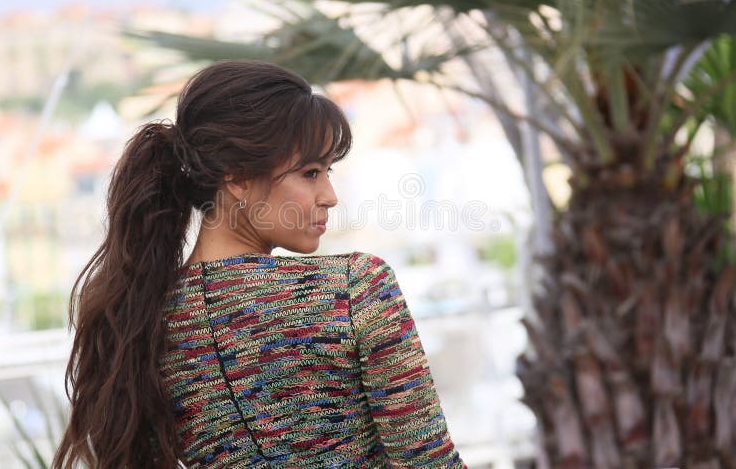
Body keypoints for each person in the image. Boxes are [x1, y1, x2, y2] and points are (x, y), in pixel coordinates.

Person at [53, 60, 466, 468]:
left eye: (328, 171)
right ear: (236, 177)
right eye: (310, 173)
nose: (330, 195)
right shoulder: (354, 289)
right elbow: (428, 461)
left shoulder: (143, 322)